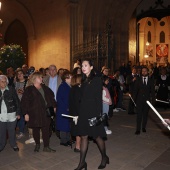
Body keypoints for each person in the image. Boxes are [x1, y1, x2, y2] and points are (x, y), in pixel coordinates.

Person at [74, 59, 109, 170]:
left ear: (91, 67)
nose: (83, 67)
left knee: (97, 137)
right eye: (82, 65)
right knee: (84, 136)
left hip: (93, 112)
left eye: (85, 65)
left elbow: (98, 99)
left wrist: (98, 115)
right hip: (84, 112)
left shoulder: (97, 80)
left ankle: (104, 157)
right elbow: (81, 99)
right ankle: (82, 163)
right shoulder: (83, 80)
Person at [21, 71, 56, 152]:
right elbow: (24, 102)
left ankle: (46, 147)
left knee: (46, 129)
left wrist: (54, 106)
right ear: (34, 79)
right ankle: (37, 145)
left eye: (41, 77)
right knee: (36, 129)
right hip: (34, 113)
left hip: (45, 112)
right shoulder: (29, 90)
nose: (41, 78)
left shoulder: (45, 88)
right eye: (39, 77)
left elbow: (51, 97)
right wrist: (25, 113)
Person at [0, 75, 21, 152]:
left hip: (11, 114)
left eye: (5, 81)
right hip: (1, 116)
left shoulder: (11, 89)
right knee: (1, 132)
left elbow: (17, 102)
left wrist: (18, 113)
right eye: (2, 81)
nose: (4, 83)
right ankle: (1, 145)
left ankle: (13, 144)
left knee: (12, 131)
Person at [133, 67, 155, 135]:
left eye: (145, 71)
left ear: (147, 72)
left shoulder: (151, 80)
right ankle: (138, 129)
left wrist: (153, 101)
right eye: (142, 71)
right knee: (139, 115)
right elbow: (135, 90)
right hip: (139, 100)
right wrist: (134, 100)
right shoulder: (138, 80)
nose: (144, 72)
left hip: (147, 100)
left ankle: (143, 127)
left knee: (145, 115)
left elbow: (153, 91)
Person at [56, 70, 72, 146]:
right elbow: (59, 99)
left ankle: (68, 139)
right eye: (70, 76)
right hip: (64, 110)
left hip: (68, 109)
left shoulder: (70, 86)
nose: (72, 78)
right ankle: (63, 141)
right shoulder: (62, 86)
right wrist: (66, 107)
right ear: (66, 78)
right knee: (63, 126)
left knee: (68, 125)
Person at [69, 74, 82, 152]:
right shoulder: (77, 89)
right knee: (79, 130)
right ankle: (78, 146)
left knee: (78, 130)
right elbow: (78, 103)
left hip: (74, 112)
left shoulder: (73, 89)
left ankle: (78, 146)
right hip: (77, 113)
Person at [15, 69, 27, 139]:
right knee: (18, 116)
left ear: (23, 74)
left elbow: (29, 93)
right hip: (17, 102)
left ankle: (21, 132)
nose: (19, 75)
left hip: (24, 102)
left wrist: (24, 92)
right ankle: (20, 130)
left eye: (21, 73)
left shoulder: (26, 82)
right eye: (18, 74)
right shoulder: (16, 83)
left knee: (22, 117)